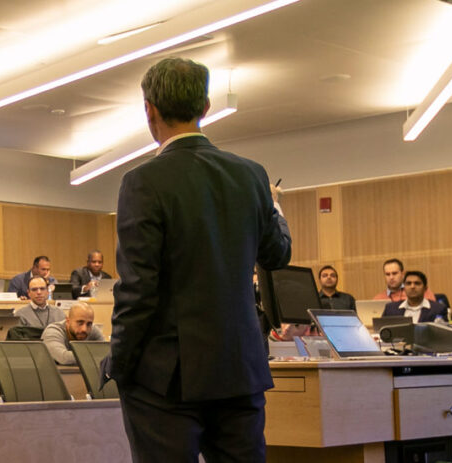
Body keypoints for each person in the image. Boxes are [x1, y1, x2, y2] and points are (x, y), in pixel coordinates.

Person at [111, 57, 292, 462]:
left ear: (149, 109)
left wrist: (119, 364)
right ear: (206, 107)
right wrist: (274, 207)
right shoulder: (252, 176)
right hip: (239, 367)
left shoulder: (142, 182)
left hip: (167, 376)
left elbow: (138, 290)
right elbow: (278, 254)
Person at [381, 271, 448, 322]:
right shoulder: (390, 309)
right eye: (408, 283)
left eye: (417, 283)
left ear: (425, 289)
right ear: (404, 288)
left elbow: (443, 336)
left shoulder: (438, 309)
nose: (412, 287)